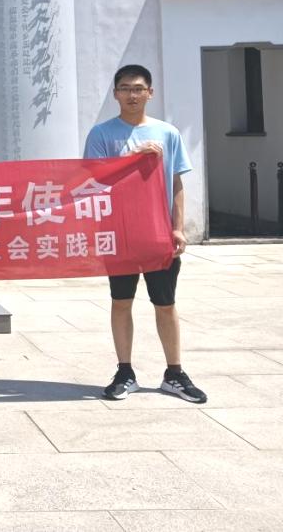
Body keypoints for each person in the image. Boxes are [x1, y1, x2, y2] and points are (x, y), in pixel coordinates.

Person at [84, 64, 206, 403]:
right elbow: (94, 179)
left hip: (158, 233)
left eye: (138, 88)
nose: (132, 95)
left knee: (165, 303)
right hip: (120, 232)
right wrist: (133, 156)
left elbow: (176, 183)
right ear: (115, 94)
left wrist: (177, 227)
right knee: (121, 301)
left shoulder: (168, 133)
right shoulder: (101, 134)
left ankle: (174, 373)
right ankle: (124, 371)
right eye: (125, 88)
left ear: (150, 93)